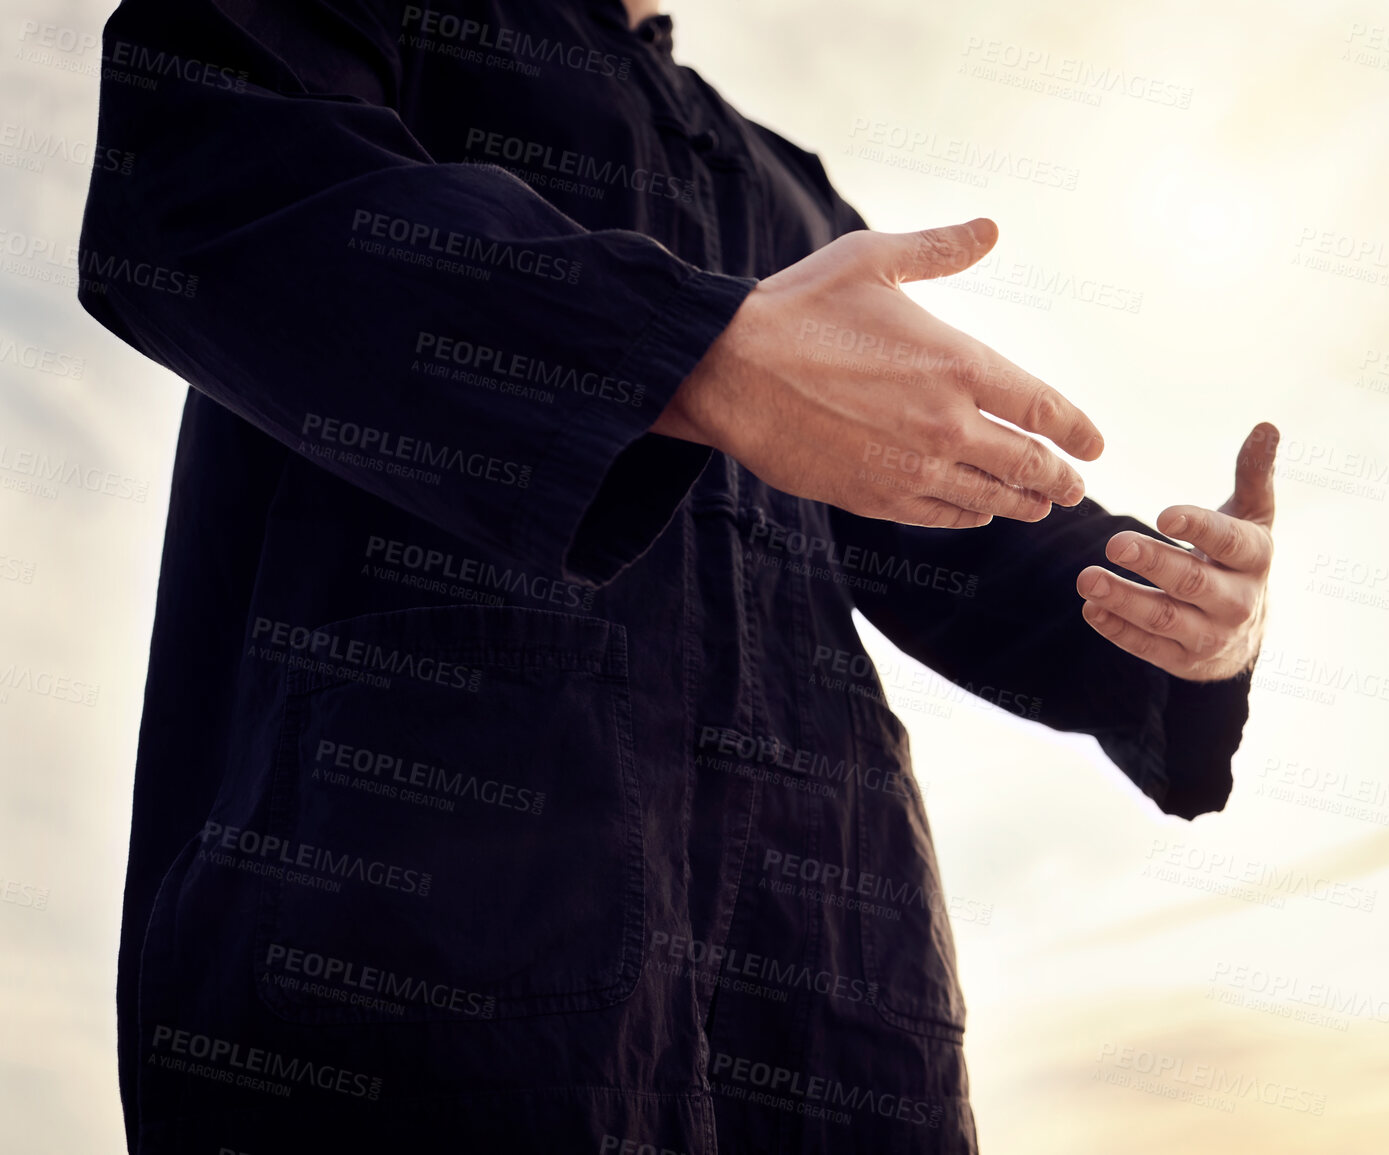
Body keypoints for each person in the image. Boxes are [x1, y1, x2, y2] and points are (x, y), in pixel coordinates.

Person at [76, 0, 1277, 1150]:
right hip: (406, 942)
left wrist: (1184, 619)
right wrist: (685, 355)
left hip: (838, 991)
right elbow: (193, 185)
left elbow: (969, 524)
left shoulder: (785, 192)